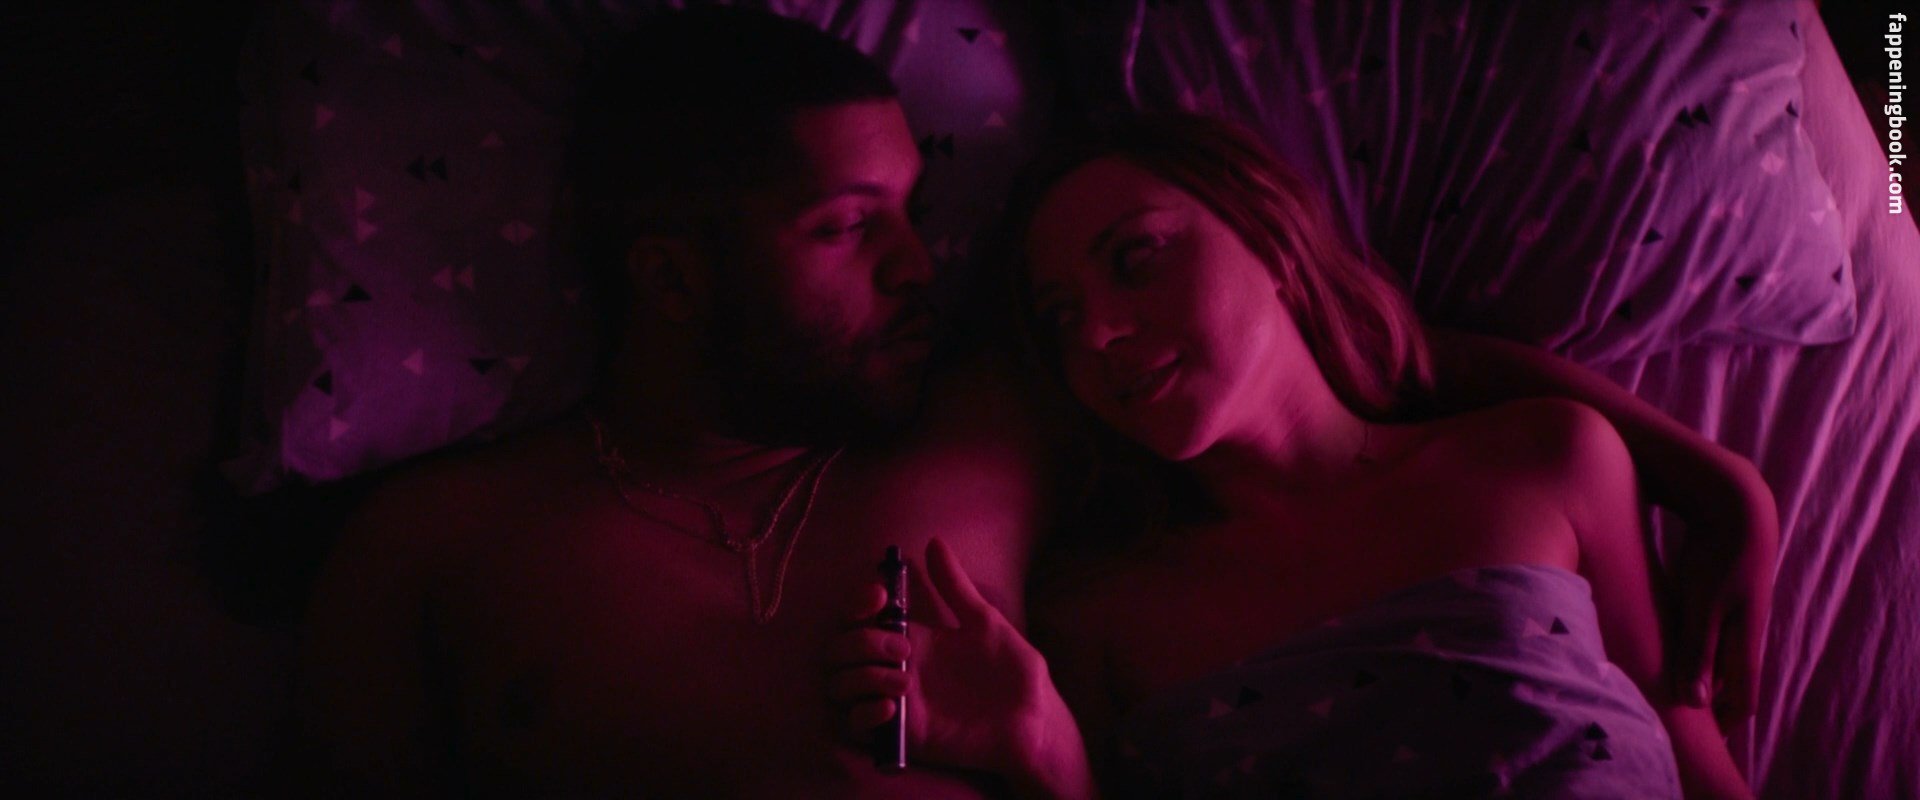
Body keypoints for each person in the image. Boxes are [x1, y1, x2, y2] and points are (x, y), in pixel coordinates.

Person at [296, 8, 1774, 797]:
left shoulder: (993, 423)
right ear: (672, 277)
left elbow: (1293, 348)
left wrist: (1707, 481)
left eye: (912, 211)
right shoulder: (435, 545)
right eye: (846, 227)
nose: (915, 264)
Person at [826, 112, 1765, 798]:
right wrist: (1047, 759)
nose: (1099, 332)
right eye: (1060, 318)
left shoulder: (1544, 457)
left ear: (1267, 234)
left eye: (1137, 258)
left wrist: (1732, 491)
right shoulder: (1100, 618)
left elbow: (1691, 756)